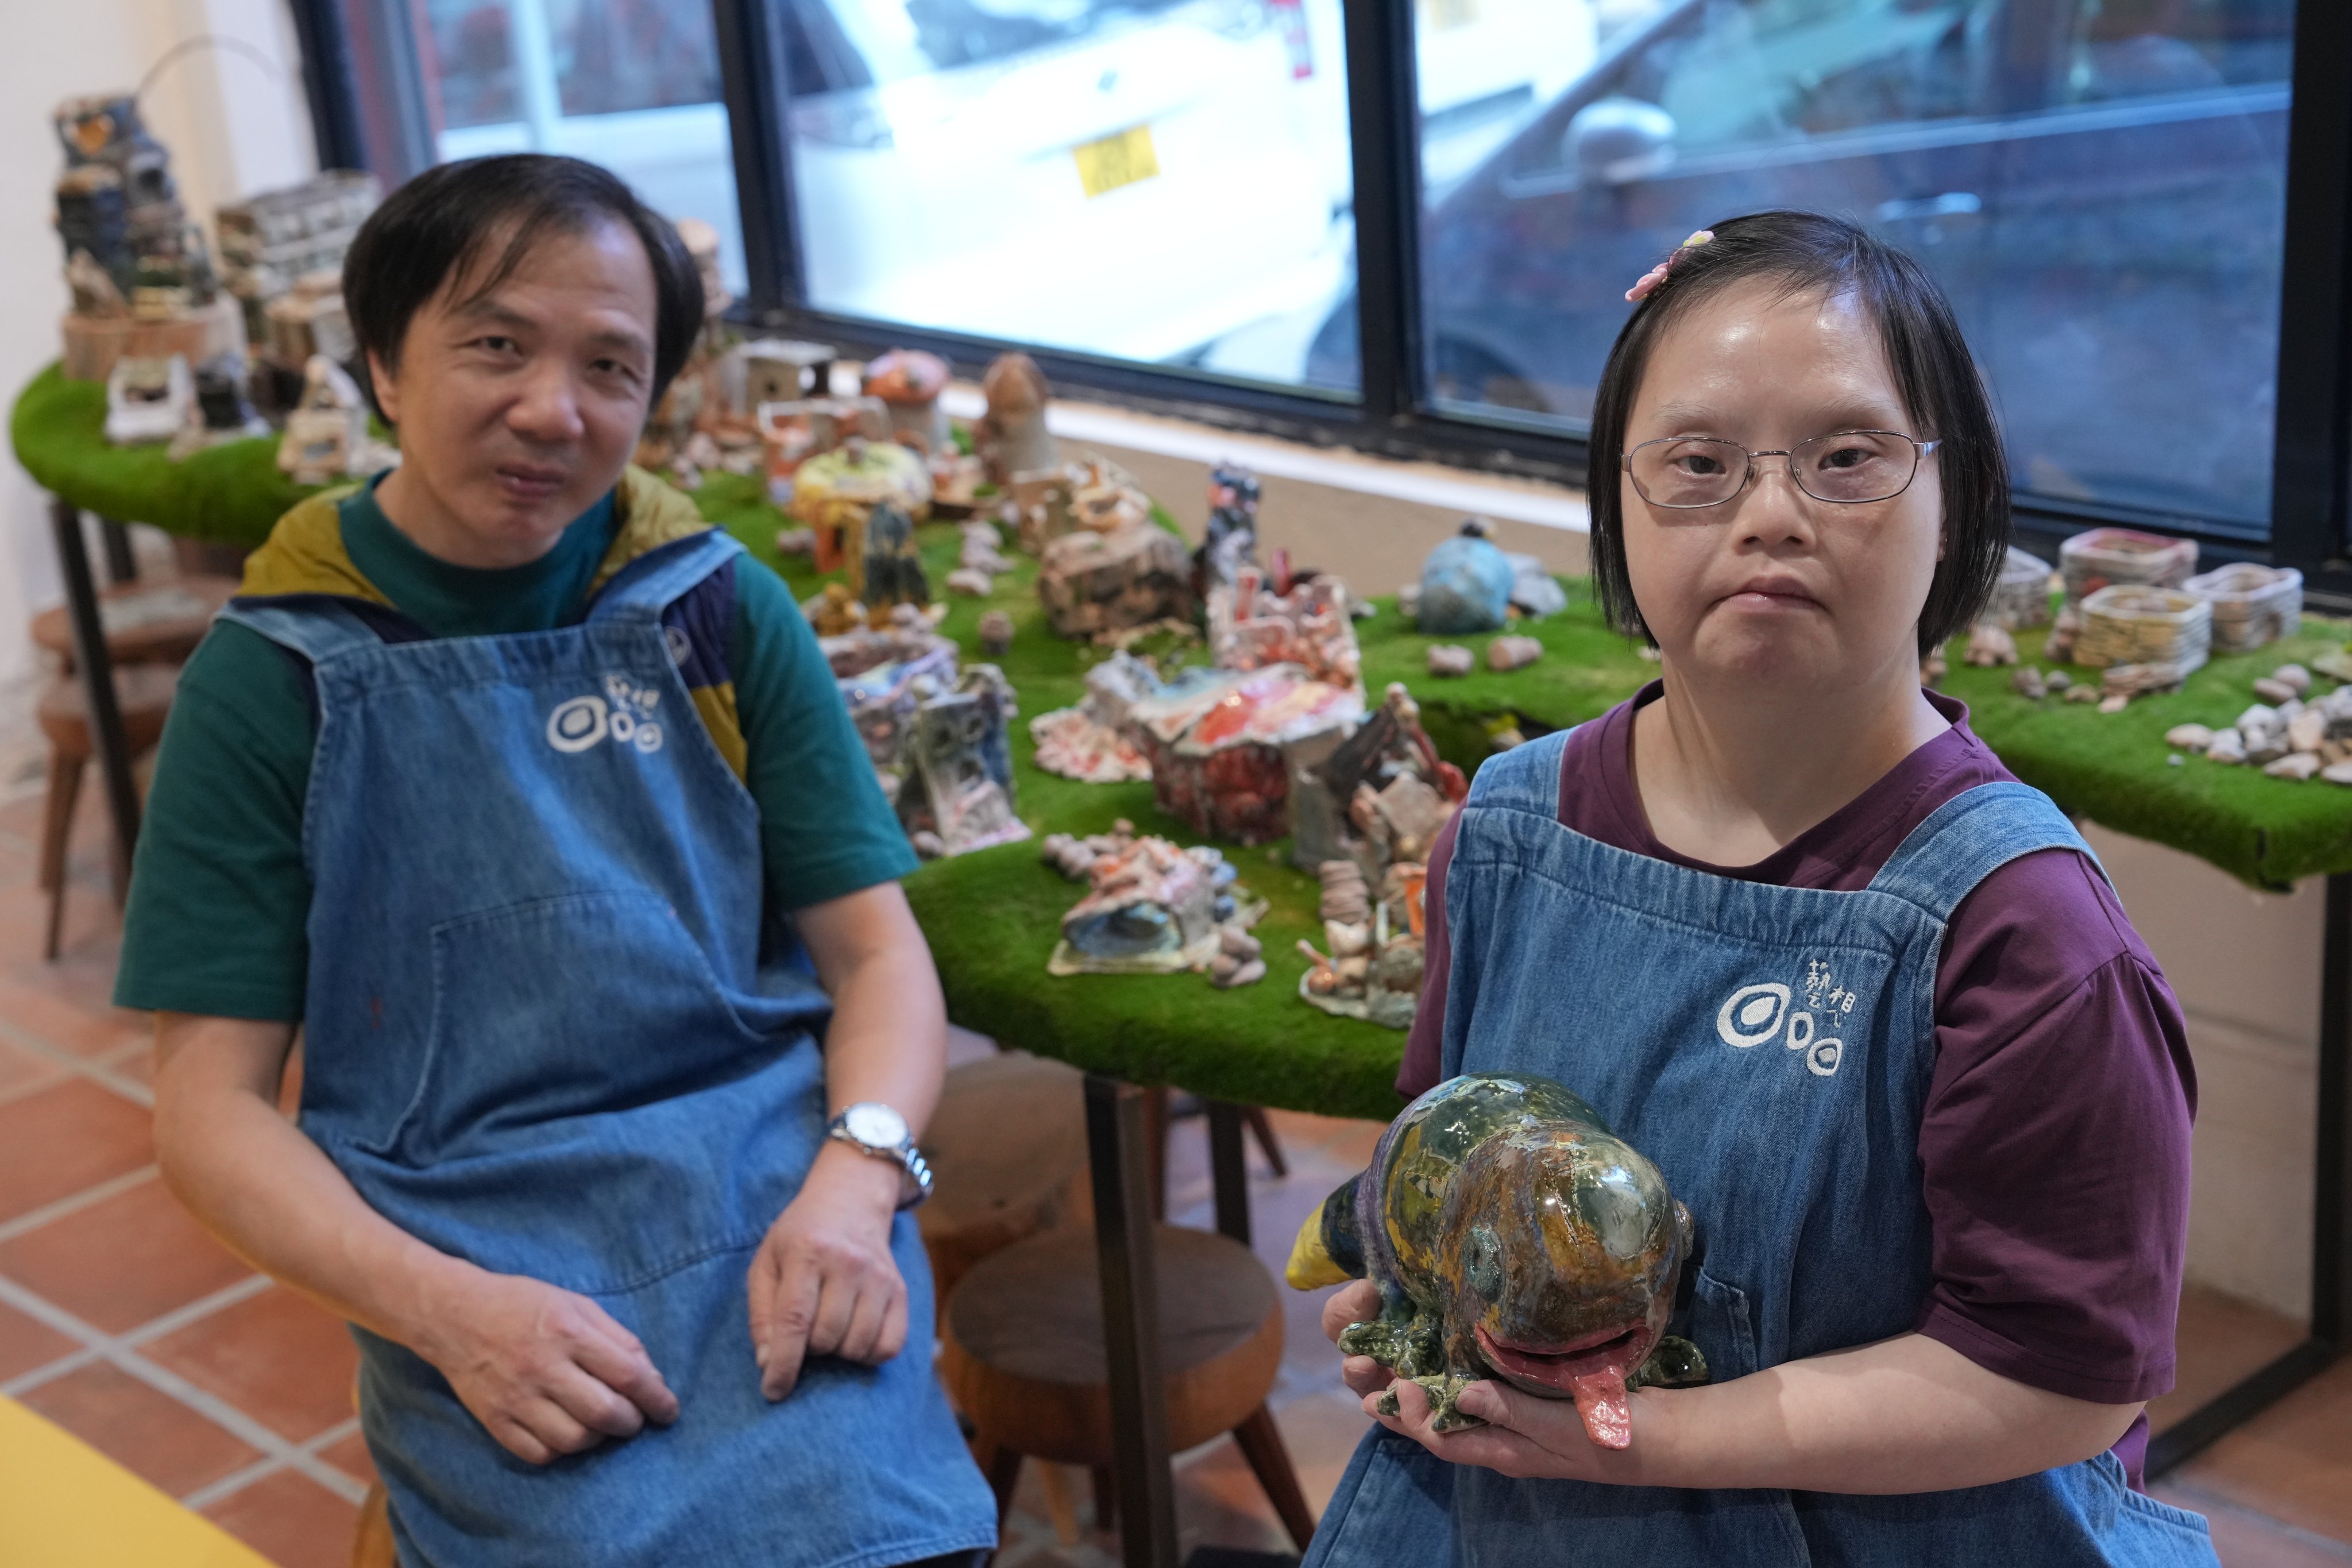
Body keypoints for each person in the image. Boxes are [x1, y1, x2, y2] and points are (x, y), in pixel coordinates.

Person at [120, 155, 998, 1566]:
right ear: (381, 366)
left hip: (773, 1197)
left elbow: (879, 957)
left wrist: (859, 1178)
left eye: (611, 365)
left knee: (880, 1531)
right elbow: (205, 1112)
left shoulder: (713, 612)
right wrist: (445, 1312)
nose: (554, 409)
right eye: (494, 345)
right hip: (457, 1240)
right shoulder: (271, 675)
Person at [1307, 212, 2219, 1565]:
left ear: (1950, 494)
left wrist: (1651, 1440)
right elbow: (1448, 1160)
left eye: (1846, 458)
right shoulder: (1501, 830)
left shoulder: (2022, 935)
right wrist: (1422, 1306)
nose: (1771, 515)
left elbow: (2064, 1380)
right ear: (1616, 501)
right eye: (1697, 462)